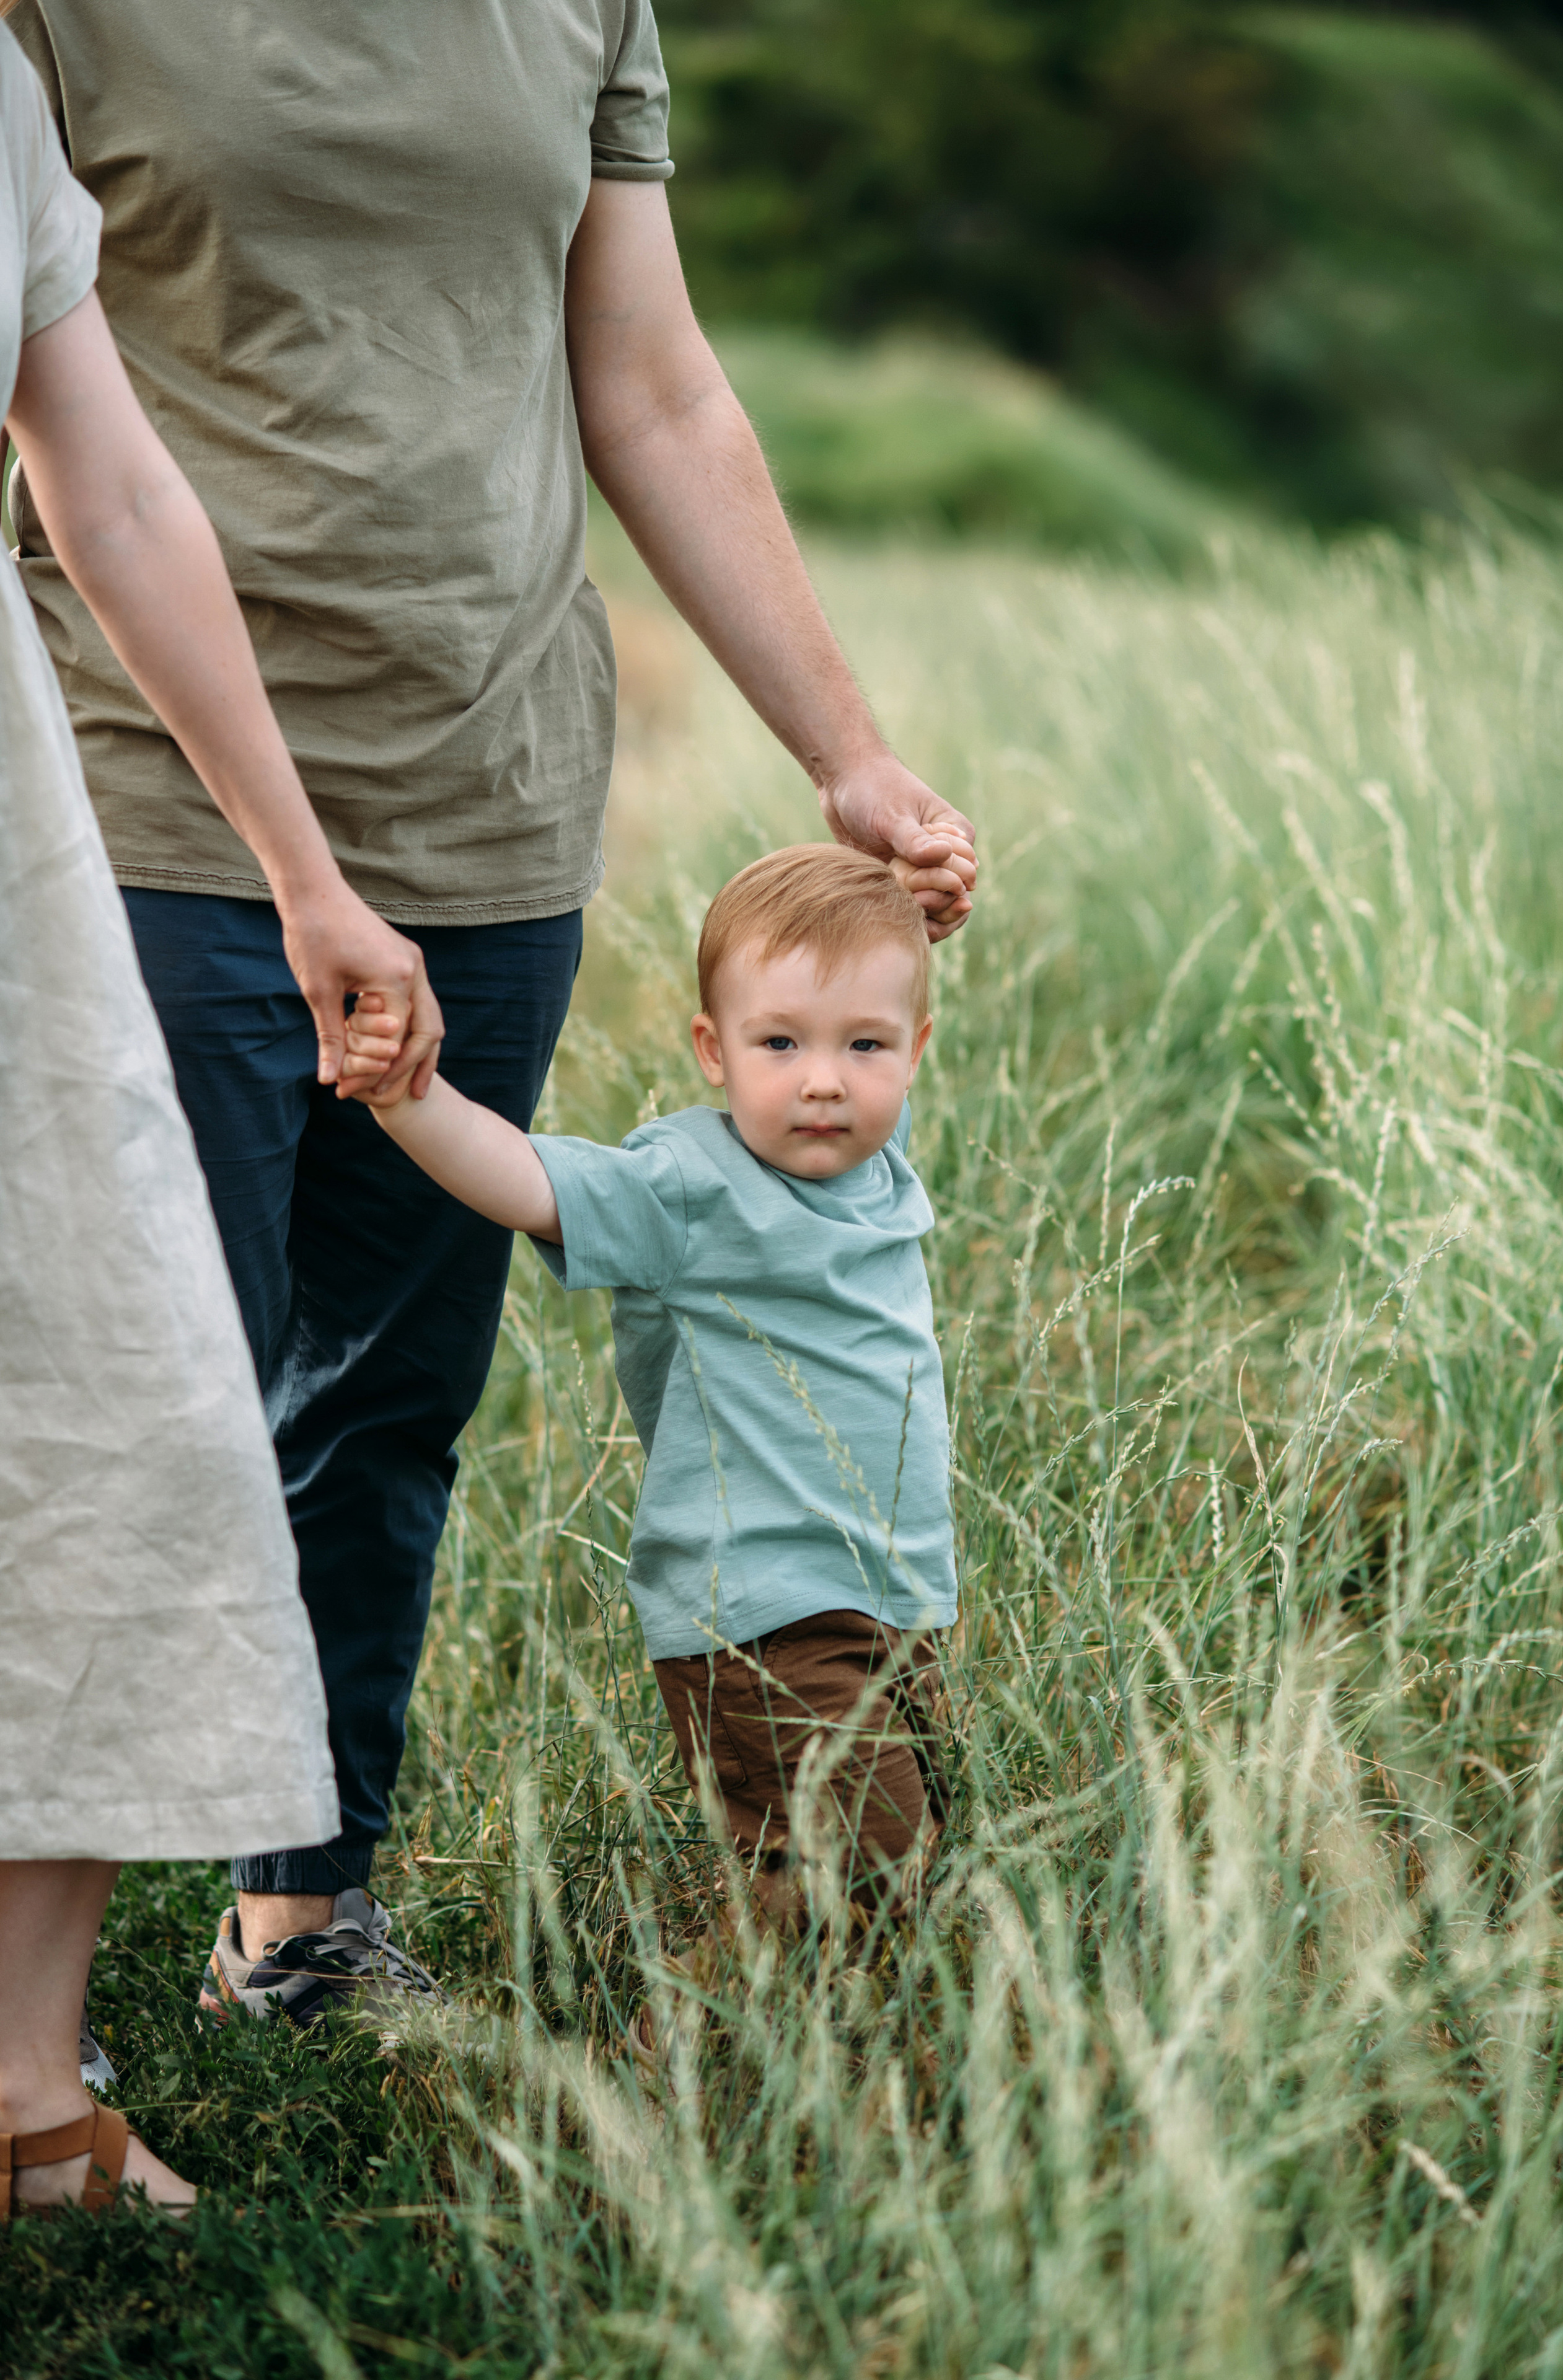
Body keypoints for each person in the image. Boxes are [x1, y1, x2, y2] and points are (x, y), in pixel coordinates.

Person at [7, 0, 977, 2013]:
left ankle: (301, 1910)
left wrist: (845, 752)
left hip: (492, 791)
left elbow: (655, 390)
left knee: (386, 1387)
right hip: (154, 780)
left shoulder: (580, 6)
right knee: (144, 1392)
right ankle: (37, 2028)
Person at [0, 24, 441, 2217]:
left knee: (111, 1407)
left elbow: (118, 486)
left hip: (23, 830)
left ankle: (22, 2104)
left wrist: (307, 874)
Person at [341, 845, 958, 1914]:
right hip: (761, 1611)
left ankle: (779, 2047)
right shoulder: (691, 1185)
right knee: (858, 1871)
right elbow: (531, 1182)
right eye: (781, 1043)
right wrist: (410, 1104)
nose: (823, 1078)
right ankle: (689, 2055)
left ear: (917, 1052)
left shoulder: (878, 1181)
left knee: (894, 1862)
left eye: (865, 1045)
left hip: (890, 1602)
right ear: (713, 1052)